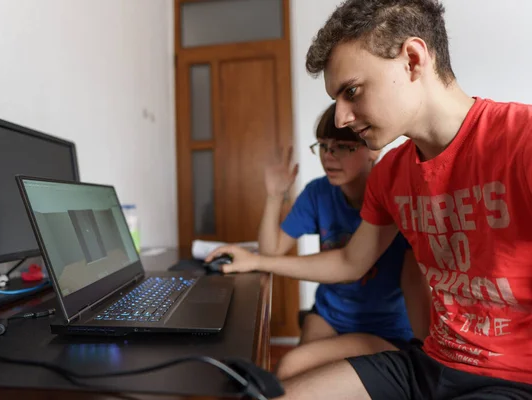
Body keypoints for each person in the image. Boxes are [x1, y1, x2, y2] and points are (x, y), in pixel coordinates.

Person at [206, 0, 532, 398]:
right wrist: (255, 260)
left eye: (352, 91)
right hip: (430, 363)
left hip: (513, 378)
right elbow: (350, 261)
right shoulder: (391, 174)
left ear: (413, 59)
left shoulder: (521, 141)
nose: (341, 117)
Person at [258, 103, 430, 380]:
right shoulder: (318, 193)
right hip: (330, 314)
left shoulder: (395, 197)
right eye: (324, 146)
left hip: (386, 328)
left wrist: (424, 349)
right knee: (292, 374)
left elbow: (413, 282)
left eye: (342, 146)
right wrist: (274, 196)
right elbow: (271, 252)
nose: (328, 156)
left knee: (297, 368)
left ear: (372, 150)